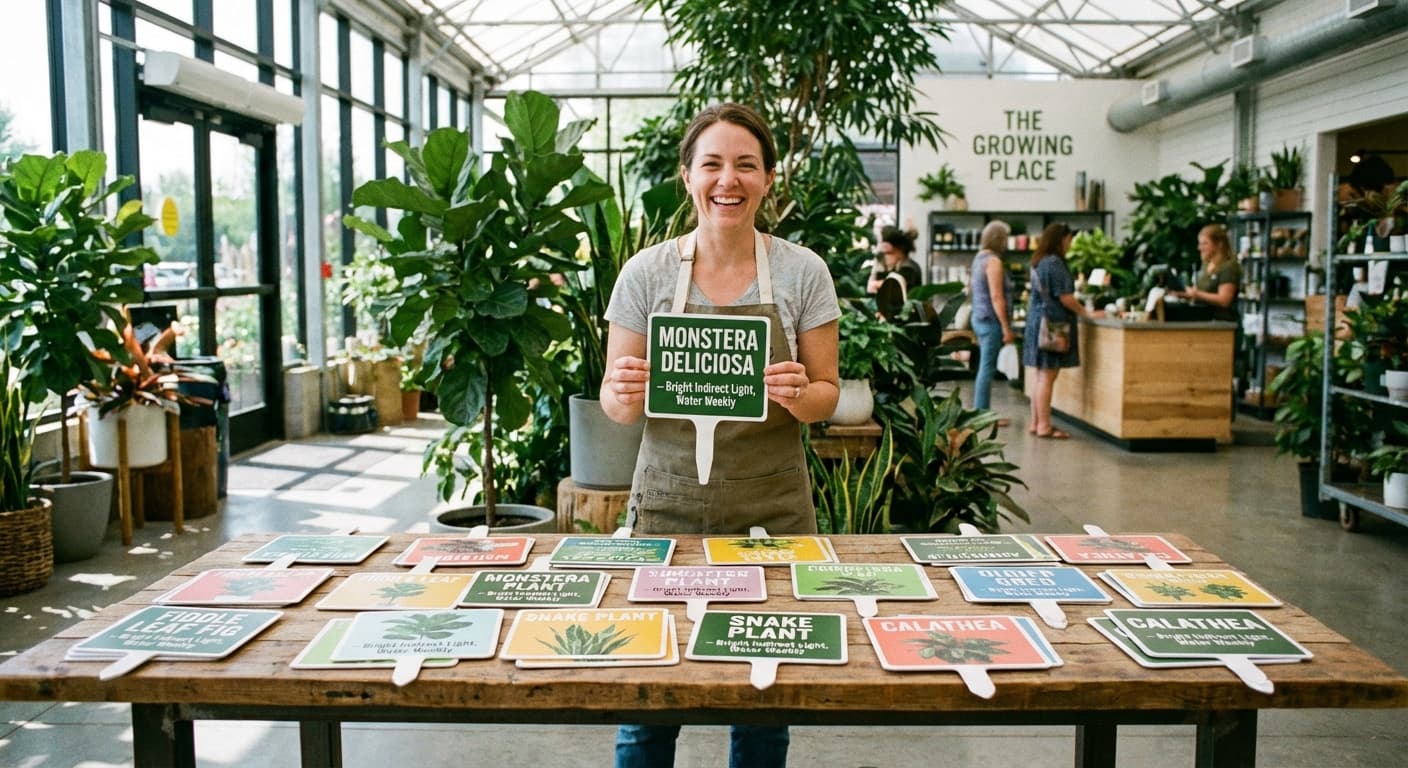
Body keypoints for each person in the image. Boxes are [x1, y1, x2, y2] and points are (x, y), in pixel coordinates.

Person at [599, 102, 841, 768]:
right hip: (665, 510)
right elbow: (616, 405)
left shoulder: (802, 272)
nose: (727, 180)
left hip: (774, 515)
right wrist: (620, 393)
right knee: (649, 700)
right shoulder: (646, 274)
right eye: (712, 164)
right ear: (688, 176)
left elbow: (827, 395)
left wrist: (800, 395)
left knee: (763, 704)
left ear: (768, 179)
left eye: (745, 165)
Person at [1023, 223, 1095, 439]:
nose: (1070, 244)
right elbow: (1066, 298)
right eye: (1069, 239)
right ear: (1061, 239)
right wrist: (1087, 313)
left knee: (1039, 376)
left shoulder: (1039, 261)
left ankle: (1036, 423)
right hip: (1053, 324)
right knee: (1047, 377)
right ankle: (1045, 425)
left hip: (1037, 322)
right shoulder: (1055, 263)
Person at [967, 220, 1015, 420]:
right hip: (990, 320)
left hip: (978, 317)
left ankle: (982, 410)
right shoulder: (993, 262)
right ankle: (982, 414)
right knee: (987, 367)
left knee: (984, 366)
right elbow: (997, 297)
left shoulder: (978, 259)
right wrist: (1006, 327)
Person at [1173, 224, 1241, 322]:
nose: (1200, 248)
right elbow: (1201, 294)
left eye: (1205, 244)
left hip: (1223, 324)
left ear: (1219, 244)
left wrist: (1197, 294)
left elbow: (1224, 300)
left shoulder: (1228, 267)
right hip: (1204, 320)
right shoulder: (1206, 265)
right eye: (1200, 244)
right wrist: (1182, 293)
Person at [866, 225, 923, 295]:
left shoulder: (909, 268)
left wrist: (876, 284)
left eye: (889, 254)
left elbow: (897, 286)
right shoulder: (882, 264)